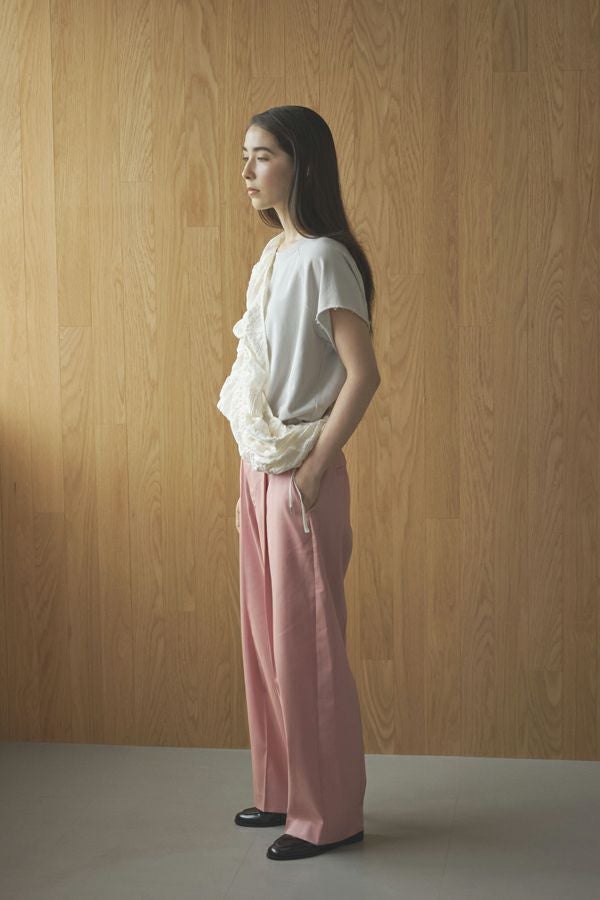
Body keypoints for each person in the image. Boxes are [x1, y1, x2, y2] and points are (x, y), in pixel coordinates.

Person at [217, 106, 380, 862]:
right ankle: (282, 790)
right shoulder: (276, 254)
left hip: (300, 474)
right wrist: (256, 476)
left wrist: (314, 469)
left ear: (301, 162)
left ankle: (329, 817)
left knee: (307, 647)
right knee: (266, 642)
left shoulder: (323, 258)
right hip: (261, 467)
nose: (247, 171)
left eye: (262, 155)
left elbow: (362, 375)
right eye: (245, 156)